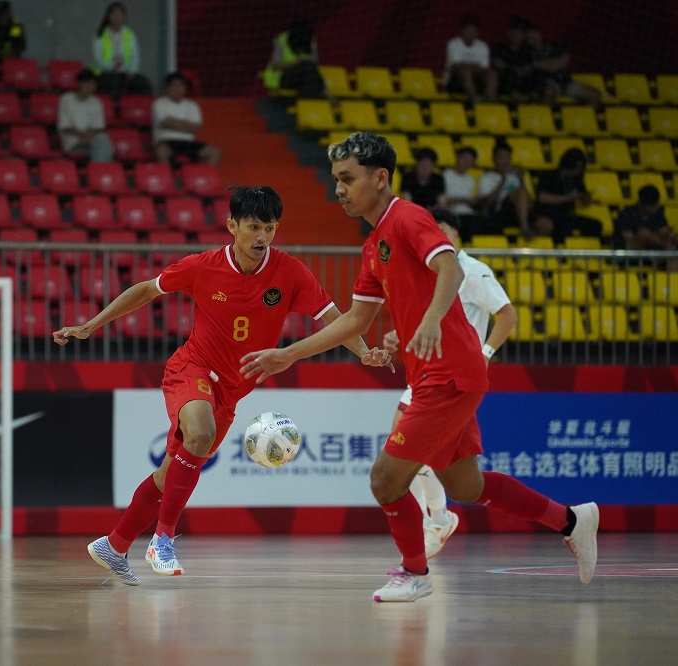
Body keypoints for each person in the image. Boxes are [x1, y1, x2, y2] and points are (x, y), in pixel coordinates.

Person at [240, 131, 598, 602]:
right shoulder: (373, 246)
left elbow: (451, 267)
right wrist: (289, 353)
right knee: (466, 485)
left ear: (380, 177)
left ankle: (415, 573)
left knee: (385, 479)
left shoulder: (407, 217)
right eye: (336, 180)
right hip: (435, 374)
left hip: (450, 372)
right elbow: (354, 320)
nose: (339, 189)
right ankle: (572, 519)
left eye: (347, 178)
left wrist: (430, 321)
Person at [52, 185, 392, 584]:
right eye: (253, 227)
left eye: (269, 228)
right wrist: (92, 325)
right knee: (200, 433)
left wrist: (364, 351)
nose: (262, 237)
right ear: (232, 225)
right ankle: (162, 540)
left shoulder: (290, 273)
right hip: (192, 368)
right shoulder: (203, 266)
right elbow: (147, 289)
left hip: (232, 391)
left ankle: (115, 544)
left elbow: (333, 316)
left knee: (169, 475)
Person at [381, 207, 517, 559]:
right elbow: (433, 318)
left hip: (455, 375)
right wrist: (401, 335)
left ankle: (438, 522)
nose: (434, 237)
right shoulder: (430, 272)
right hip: (428, 371)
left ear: (455, 235)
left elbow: (507, 314)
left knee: (410, 452)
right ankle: (439, 518)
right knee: (411, 451)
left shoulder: (472, 271)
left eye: (441, 231)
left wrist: (486, 351)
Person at [532, 148, 602, 244]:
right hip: (548, 213)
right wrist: (569, 197)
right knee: (562, 227)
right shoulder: (549, 175)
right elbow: (542, 198)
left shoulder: (577, 180)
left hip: (566, 215)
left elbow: (583, 200)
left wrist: (586, 198)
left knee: (595, 226)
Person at [152, 72, 221, 166]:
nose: (177, 88)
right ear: (167, 88)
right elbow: (166, 123)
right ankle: (165, 179)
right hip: (167, 141)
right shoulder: (159, 103)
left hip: (188, 142)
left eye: (181, 85)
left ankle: (203, 180)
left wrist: (174, 122)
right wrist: (187, 125)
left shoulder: (192, 105)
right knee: (161, 151)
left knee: (214, 152)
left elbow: (196, 127)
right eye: (174, 85)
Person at [526, 26, 600, 107]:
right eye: (529, 37)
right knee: (548, 92)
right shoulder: (527, 52)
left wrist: (540, 64)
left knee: (595, 95)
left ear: (538, 33)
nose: (533, 37)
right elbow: (532, 66)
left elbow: (563, 62)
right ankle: (547, 118)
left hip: (565, 82)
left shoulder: (554, 45)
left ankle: (582, 118)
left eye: (534, 34)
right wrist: (553, 63)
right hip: (547, 84)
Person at [91, 2, 152, 96]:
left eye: (120, 14)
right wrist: (112, 68)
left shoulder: (129, 34)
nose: (117, 16)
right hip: (105, 71)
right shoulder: (101, 35)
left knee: (142, 83)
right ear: (108, 16)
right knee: (112, 82)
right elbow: (98, 58)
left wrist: (132, 71)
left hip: (126, 72)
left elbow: (136, 56)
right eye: (114, 14)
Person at [613, 186, 677, 270]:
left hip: (654, 251)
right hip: (630, 253)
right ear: (642, 203)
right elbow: (630, 241)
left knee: (671, 247)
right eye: (650, 204)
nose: (653, 207)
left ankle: (673, 280)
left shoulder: (658, 214)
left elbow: (664, 232)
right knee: (644, 233)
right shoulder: (627, 214)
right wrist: (657, 240)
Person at [57, 67, 113, 162]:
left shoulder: (97, 102)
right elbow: (65, 125)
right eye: (88, 84)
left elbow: (98, 127)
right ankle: (101, 173)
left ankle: (98, 171)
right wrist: (82, 135)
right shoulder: (66, 99)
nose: (91, 87)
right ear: (79, 83)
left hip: (92, 140)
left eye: (94, 85)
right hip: (73, 141)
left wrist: (89, 136)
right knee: (104, 147)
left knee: (102, 141)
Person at [262, 19, 328, 99]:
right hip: (283, 78)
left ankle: (308, 103)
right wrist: (296, 63)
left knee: (308, 73)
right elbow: (276, 65)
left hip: (303, 78)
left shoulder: (310, 40)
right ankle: (323, 92)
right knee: (307, 67)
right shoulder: (282, 39)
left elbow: (314, 64)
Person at [477, 142, 531, 237]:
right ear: (494, 159)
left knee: (544, 224)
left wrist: (521, 179)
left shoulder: (515, 177)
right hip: (497, 211)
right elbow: (487, 203)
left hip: (515, 212)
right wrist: (502, 180)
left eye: (508, 157)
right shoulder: (486, 177)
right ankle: (525, 227)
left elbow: (529, 201)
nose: (505, 161)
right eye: (501, 157)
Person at [443, 15, 498, 103]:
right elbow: (457, 66)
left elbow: (484, 68)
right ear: (462, 31)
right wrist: (473, 67)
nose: (470, 33)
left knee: (492, 74)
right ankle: (475, 100)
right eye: (468, 30)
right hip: (455, 81)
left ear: (478, 32)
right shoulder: (453, 44)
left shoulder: (483, 46)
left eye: (473, 31)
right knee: (466, 72)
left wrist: (469, 67)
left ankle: (491, 101)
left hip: (476, 80)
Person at [440, 146, 482, 242]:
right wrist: (463, 200)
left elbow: (474, 200)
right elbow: (443, 201)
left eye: (470, 161)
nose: (467, 163)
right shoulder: (445, 175)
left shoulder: (471, 179)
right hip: (450, 214)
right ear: (458, 157)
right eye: (465, 159)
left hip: (469, 214)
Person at [491, 17, 536, 100]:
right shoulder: (499, 48)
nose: (516, 36)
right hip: (504, 81)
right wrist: (514, 70)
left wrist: (513, 69)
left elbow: (527, 69)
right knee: (509, 75)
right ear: (508, 33)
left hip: (521, 82)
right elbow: (498, 64)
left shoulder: (527, 51)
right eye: (514, 33)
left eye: (519, 34)